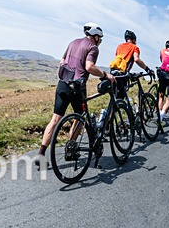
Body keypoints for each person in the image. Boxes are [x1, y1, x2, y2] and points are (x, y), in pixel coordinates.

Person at [37, 22, 114, 165]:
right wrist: (105, 75)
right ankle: (70, 148)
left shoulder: (73, 42)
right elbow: (89, 67)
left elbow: (62, 61)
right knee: (80, 117)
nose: (101, 41)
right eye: (100, 38)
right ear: (95, 36)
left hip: (63, 83)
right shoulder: (93, 48)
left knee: (55, 119)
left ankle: (41, 154)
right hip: (77, 87)